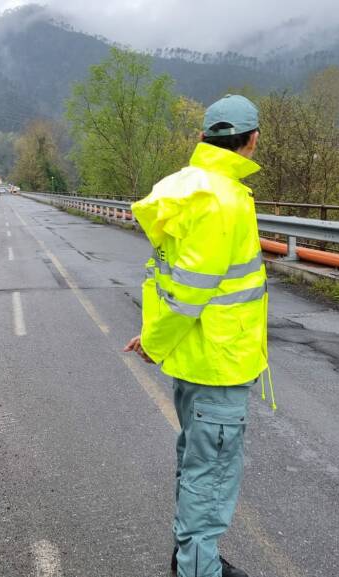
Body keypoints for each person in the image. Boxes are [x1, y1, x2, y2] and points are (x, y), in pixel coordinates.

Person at [122, 94, 272, 577]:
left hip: (194, 358)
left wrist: (154, 337)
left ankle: (192, 556)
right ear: (250, 141)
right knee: (211, 474)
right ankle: (197, 569)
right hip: (219, 362)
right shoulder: (224, 199)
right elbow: (190, 290)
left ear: (204, 138)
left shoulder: (183, 187)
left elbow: (165, 276)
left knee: (196, 463)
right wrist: (153, 342)